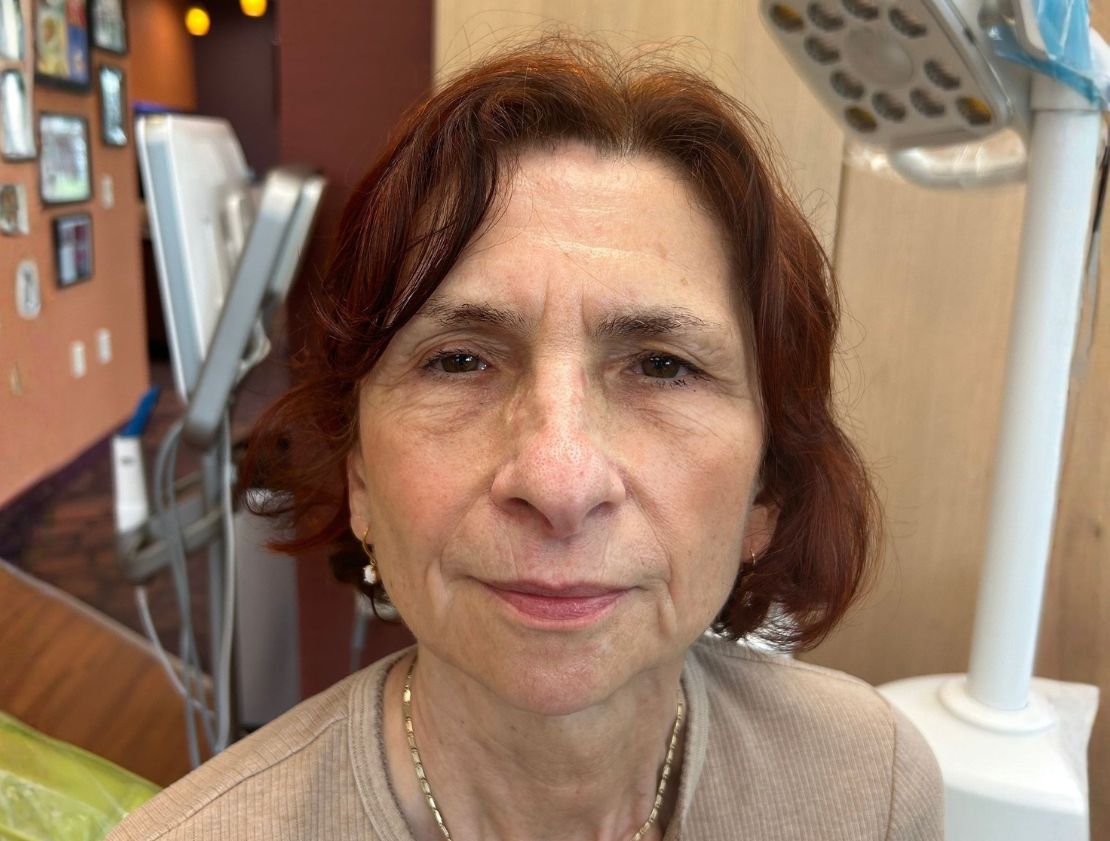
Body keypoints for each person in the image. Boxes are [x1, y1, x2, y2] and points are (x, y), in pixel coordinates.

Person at [108, 35, 944, 841]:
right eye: (461, 360)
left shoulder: (873, 783)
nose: (558, 479)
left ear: (768, 488)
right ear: (357, 471)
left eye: (661, 366)